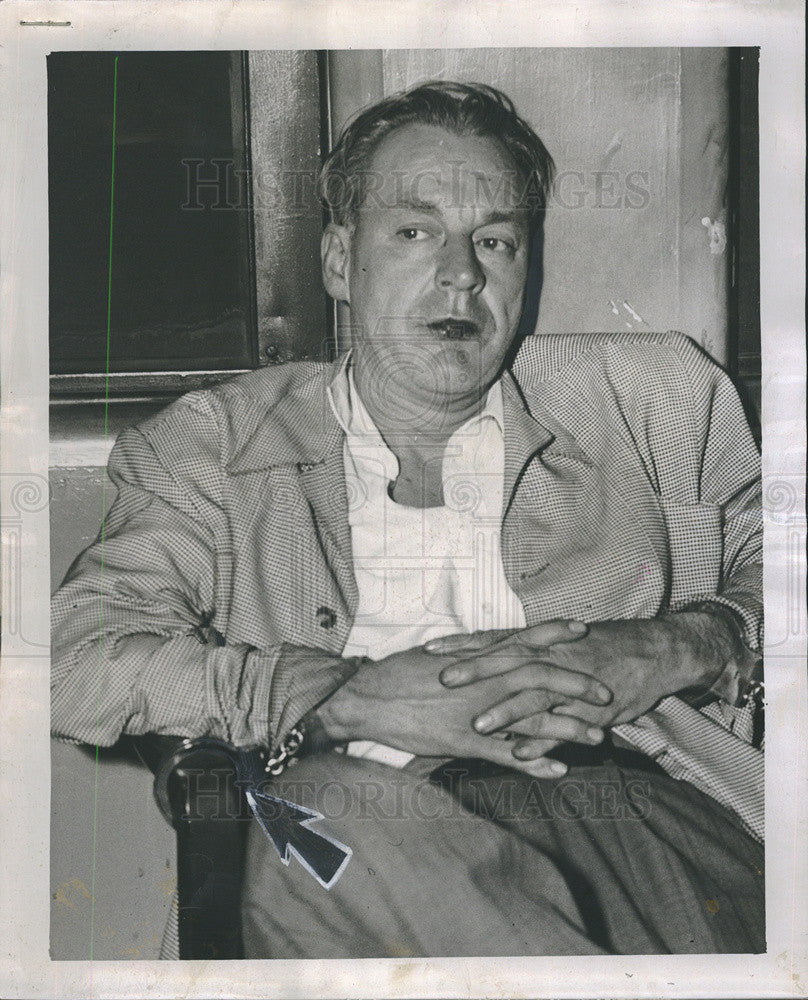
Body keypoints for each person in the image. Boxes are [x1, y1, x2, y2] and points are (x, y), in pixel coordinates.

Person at [51, 81, 764, 957]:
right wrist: (341, 698)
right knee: (321, 825)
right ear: (340, 262)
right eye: (416, 232)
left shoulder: (654, 398)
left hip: (642, 818)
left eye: (496, 240)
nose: (464, 272)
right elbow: (69, 657)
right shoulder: (217, 445)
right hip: (347, 822)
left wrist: (686, 644)